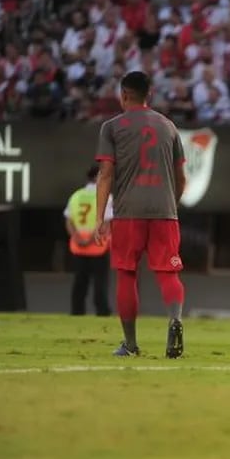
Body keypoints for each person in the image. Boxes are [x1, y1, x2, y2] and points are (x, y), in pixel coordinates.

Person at [93, 71, 187, 358]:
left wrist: (100, 218)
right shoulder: (168, 126)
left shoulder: (111, 127)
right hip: (164, 211)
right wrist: (172, 203)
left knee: (126, 274)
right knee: (168, 272)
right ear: (150, 94)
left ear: (123, 95)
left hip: (128, 213)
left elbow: (106, 173)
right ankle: (175, 320)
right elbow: (181, 176)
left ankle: (131, 344)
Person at [65, 165, 113, 316]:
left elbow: (69, 220)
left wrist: (78, 237)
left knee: (79, 283)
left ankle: (76, 312)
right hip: (98, 246)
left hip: (79, 247)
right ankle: (102, 312)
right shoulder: (106, 195)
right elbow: (106, 222)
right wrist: (92, 239)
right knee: (100, 283)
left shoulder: (76, 195)